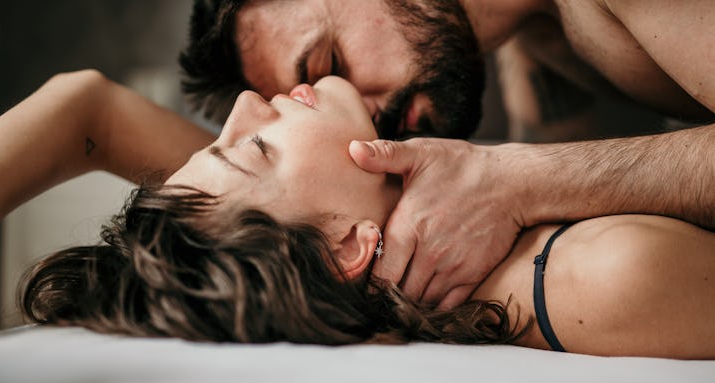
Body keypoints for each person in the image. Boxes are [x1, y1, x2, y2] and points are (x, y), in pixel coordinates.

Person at [0, 71, 714, 358]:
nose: (239, 106)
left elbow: (87, 105)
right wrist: (518, 176)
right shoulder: (604, 277)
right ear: (351, 251)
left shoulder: (315, 237)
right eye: (254, 147)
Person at [178, 0, 715, 309]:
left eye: (329, 60)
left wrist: (519, 180)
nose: (370, 117)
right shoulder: (532, 44)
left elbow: (527, 193)